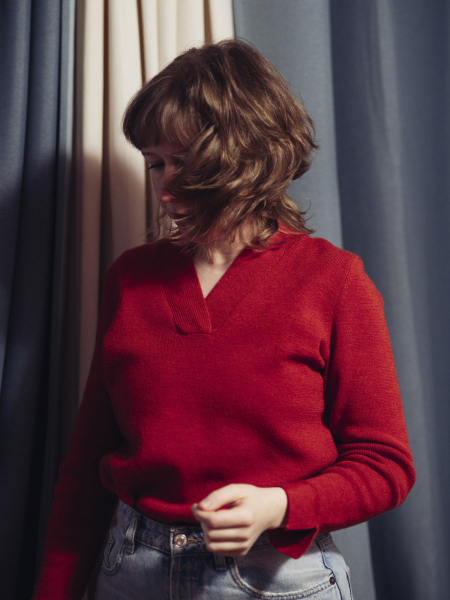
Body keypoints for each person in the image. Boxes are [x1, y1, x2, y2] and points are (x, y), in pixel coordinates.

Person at [32, 39, 415, 600]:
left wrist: (280, 505)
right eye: (155, 162)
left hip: (276, 577)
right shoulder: (130, 278)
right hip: (131, 570)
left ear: (248, 156)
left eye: (186, 161)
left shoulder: (334, 280)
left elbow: (385, 466)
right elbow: (88, 464)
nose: (164, 187)